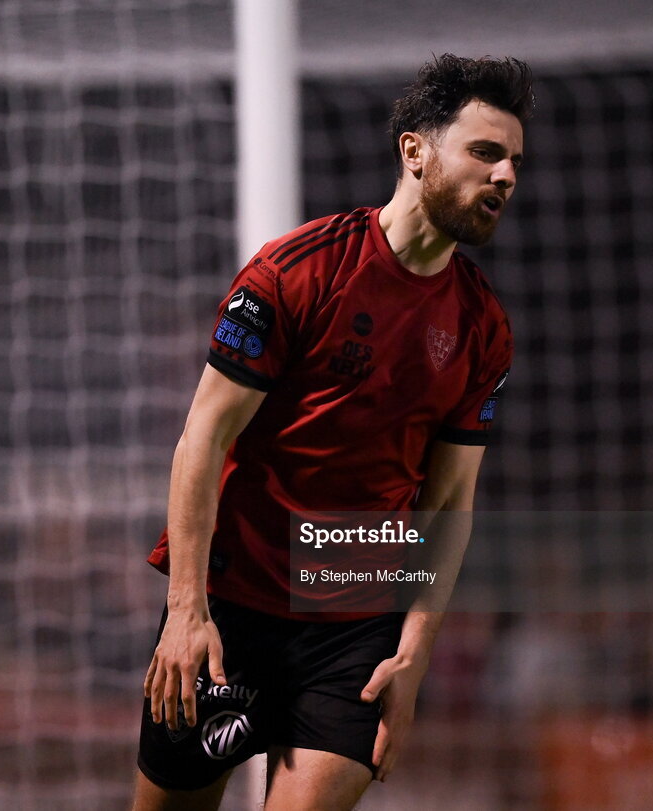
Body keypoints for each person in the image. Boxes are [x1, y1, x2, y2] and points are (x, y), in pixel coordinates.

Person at [132, 53, 533, 811]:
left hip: (353, 624)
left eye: (515, 160)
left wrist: (413, 652)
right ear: (416, 151)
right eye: (485, 152)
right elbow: (203, 438)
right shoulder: (296, 273)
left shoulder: (483, 327)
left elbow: (449, 503)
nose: (506, 175)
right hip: (233, 605)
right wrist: (186, 611)